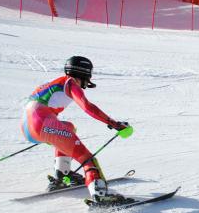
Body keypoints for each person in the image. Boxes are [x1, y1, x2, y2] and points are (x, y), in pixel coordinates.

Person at [21, 56, 129, 205]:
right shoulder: (70, 83)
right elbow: (87, 107)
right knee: (86, 158)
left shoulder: (53, 83)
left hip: (28, 128)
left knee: (68, 127)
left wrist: (44, 132)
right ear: (85, 73)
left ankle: (62, 175)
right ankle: (101, 195)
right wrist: (113, 123)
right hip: (43, 124)